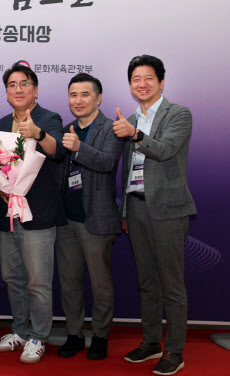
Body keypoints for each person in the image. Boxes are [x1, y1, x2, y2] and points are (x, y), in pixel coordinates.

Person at [113, 55, 195, 376]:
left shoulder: (179, 114)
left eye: (149, 78)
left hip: (167, 210)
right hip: (135, 207)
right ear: (130, 85)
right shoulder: (131, 118)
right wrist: (125, 210)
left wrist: (135, 134)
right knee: (146, 282)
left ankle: (175, 350)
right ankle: (151, 342)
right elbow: (127, 171)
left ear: (161, 81)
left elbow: (165, 150)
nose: (142, 84)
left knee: (171, 285)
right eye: (136, 79)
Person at [0, 63, 65, 364]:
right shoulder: (0, 123)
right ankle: (20, 330)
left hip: (39, 213)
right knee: (12, 277)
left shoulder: (49, 118)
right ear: (6, 92)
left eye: (24, 84)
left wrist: (38, 133)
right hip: (8, 213)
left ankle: (39, 336)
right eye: (12, 84)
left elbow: (57, 150)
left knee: (38, 281)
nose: (18, 89)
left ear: (35, 89)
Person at [55, 73, 123, 360]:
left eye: (85, 94)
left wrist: (79, 147)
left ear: (99, 98)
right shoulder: (65, 128)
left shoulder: (111, 128)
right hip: (66, 220)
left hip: (96, 219)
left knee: (100, 284)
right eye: (73, 95)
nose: (78, 100)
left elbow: (107, 162)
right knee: (69, 283)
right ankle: (74, 333)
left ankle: (100, 335)